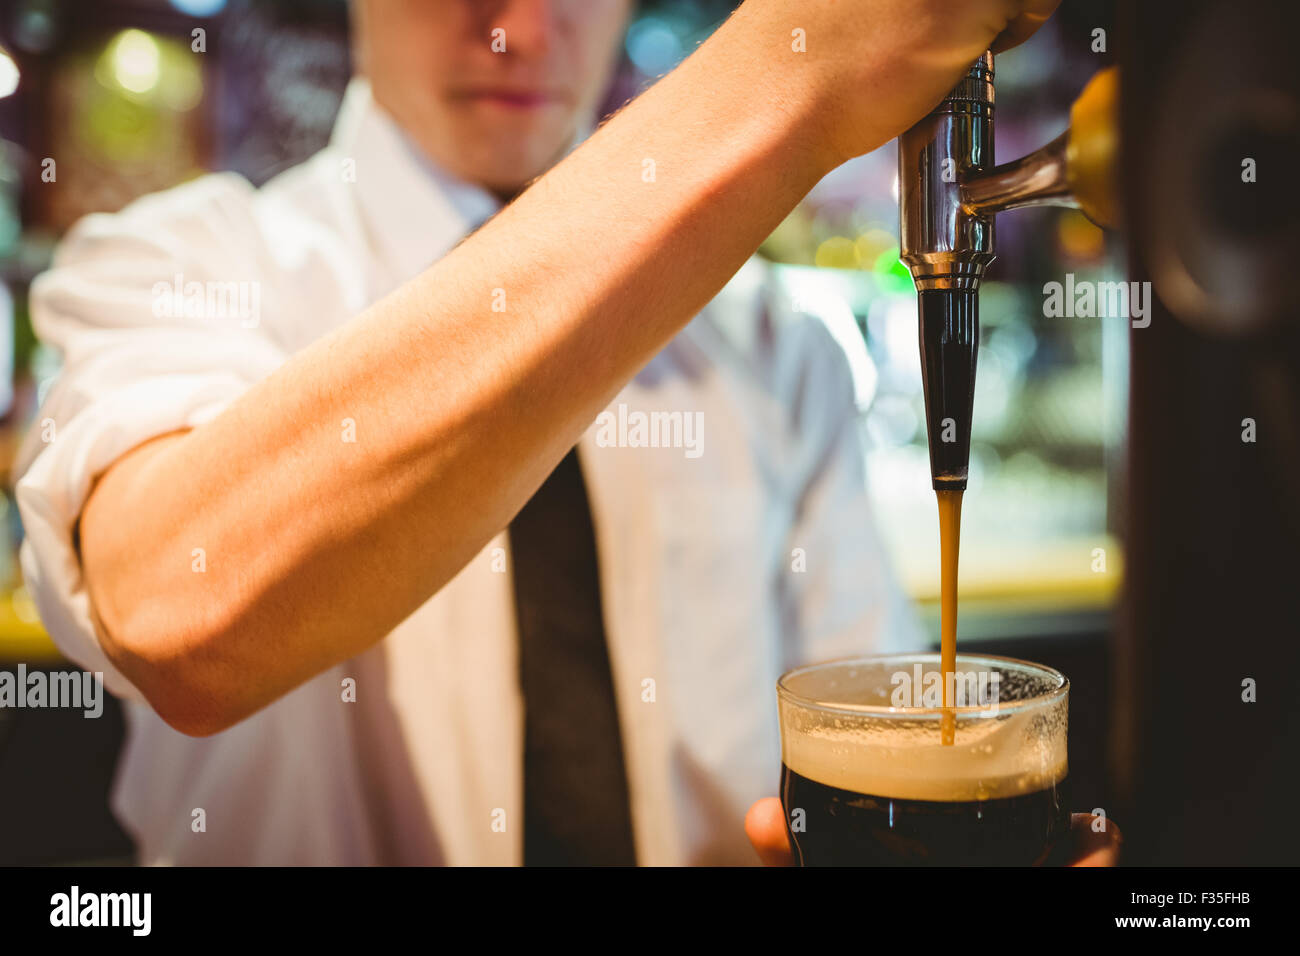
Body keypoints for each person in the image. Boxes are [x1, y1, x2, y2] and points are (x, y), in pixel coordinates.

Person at [14, 0, 1115, 865]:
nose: (522, 30)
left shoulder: (778, 346)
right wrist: (795, 64)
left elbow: (859, 741)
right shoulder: (181, 265)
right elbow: (176, 615)